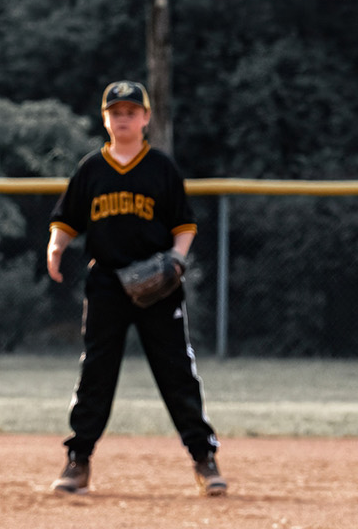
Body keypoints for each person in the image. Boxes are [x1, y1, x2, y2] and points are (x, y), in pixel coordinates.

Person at [43, 80, 227, 497]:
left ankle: (204, 457)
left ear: (146, 119)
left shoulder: (161, 168)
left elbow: (184, 225)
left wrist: (177, 259)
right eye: (116, 112)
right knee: (96, 372)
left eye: (131, 111)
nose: (123, 117)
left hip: (157, 283)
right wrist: (56, 246)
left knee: (176, 372)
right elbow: (67, 217)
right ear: (105, 120)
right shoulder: (92, 168)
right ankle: (79, 461)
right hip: (106, 282)